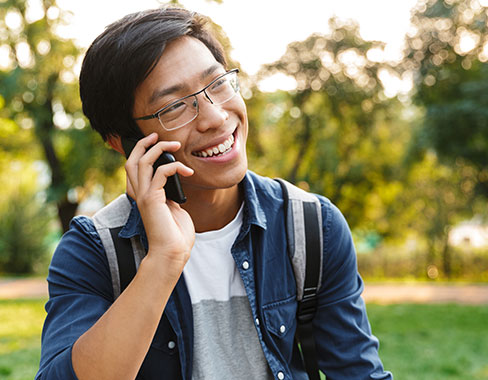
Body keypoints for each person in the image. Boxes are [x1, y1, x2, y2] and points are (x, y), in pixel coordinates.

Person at [36, 6, 393, 380]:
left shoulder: (312, 227)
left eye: (218, 84)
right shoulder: (93, 250)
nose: (216, 118)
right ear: (123, 143)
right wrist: (163, 261)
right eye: (174, 107)